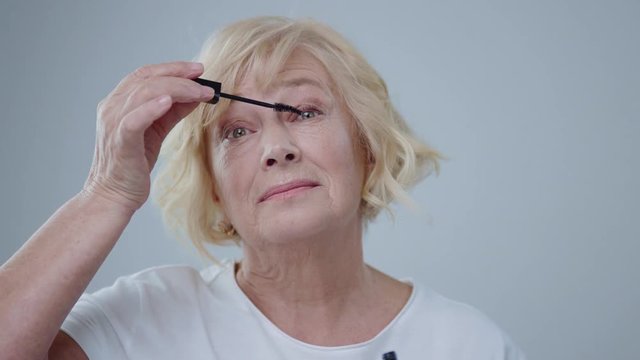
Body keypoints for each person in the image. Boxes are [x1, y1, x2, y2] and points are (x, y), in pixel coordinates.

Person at [0, 16, 526, 359]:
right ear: (214, 189)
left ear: (368, 145)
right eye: (236, 132)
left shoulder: (468, 343)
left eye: (303, 111)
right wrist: (106, 194)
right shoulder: (145, 321)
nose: (276, 147)